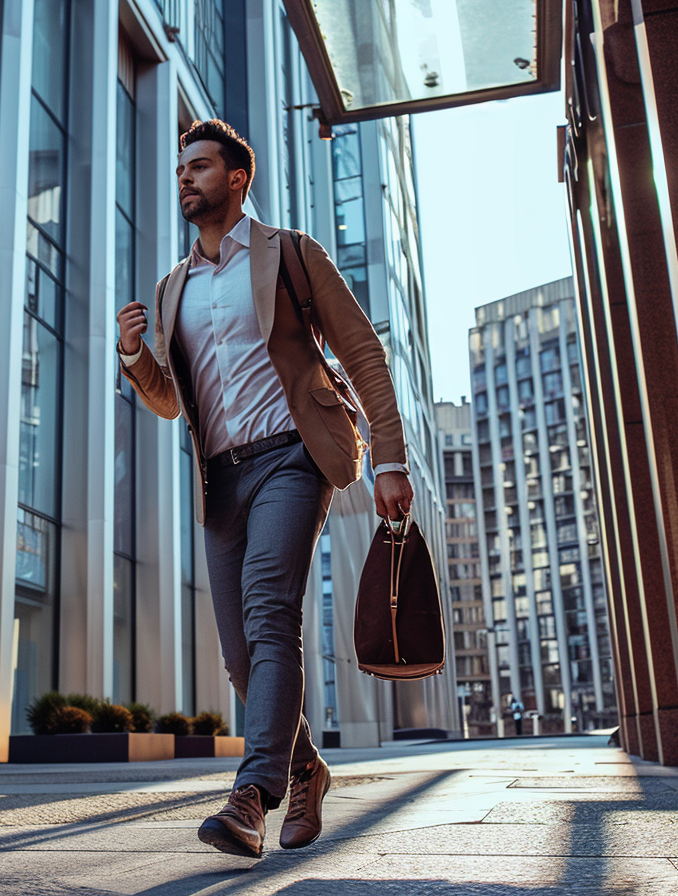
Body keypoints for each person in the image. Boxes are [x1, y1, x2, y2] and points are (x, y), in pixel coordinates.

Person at [116, 120, 413, 858]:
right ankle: (306, 767)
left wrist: (390, 460)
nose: (185, 178)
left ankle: (252, 796)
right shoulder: (172, 286)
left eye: (200, 167)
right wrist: (132, 355)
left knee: (268, 611)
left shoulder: (290, 253)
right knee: (241, 657)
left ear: (237, 178)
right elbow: (168, 400)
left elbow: (362, 352)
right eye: (180, 169)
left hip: (292, 458)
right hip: (221, 479)